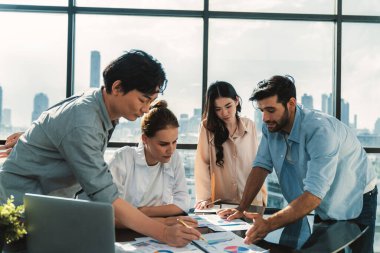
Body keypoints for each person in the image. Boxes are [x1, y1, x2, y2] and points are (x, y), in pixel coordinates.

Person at [0, 50, 200, 246]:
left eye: (150, 102)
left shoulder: (97, 104)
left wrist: (31, 140)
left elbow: (55, 125)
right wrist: (163, 231)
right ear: (117, 87)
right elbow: (107, 198)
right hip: (16, 209)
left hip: (42, 206)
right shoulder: (85, 121)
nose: (146, 109)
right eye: (143, 99)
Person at [219, 75, 377, 252]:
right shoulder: (271, 127)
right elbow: (261, 166)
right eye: (261, 110)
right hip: (323, 197)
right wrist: (241, 208)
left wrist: (269, 224)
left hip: (358, 194)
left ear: (291, 104)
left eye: (271, 110)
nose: (265, 118)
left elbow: (313, 194)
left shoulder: (320, 131)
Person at [109, 100, 194, 225]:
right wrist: (163, 221)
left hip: (153, 235)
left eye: (174, 142)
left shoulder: (174, 158)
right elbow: (112, 215)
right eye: (163, 144)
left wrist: (145, 211)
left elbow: (183, 203)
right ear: (145, 139)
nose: (171, 149)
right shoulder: (122, 158)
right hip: (125, 234)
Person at [194, 81, 267, 210]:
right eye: (218, 109)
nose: (224, 113)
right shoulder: (206, 128)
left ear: (236, 101)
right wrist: (204, 198)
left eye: (228, 106)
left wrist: (262, 197)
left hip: (251, 201)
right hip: (221, 204)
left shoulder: (250, 125)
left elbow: (257, 163)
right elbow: (202, 164)